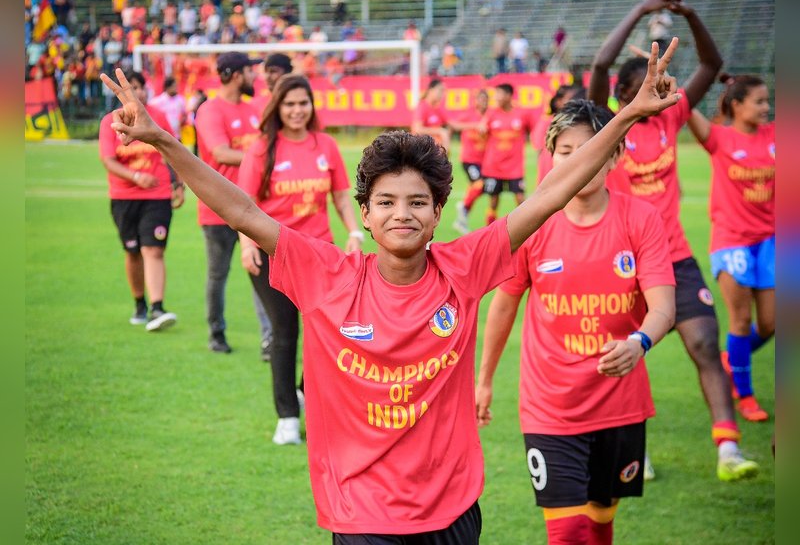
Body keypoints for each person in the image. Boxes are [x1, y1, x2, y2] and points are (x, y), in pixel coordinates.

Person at [101, 36, 682, 543]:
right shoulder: (325, 273)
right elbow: (240, 208)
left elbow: (551, 193)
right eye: (385, 202)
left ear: (436, 214)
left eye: (417, 203)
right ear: (366, 215)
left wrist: (628, 115)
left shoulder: (467, 264)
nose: (401, 214)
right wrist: (165, 143)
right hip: (360, 513)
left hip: (452, 508)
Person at [476, 99, 675, 545]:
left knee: (601, 523)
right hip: (551, 407)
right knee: (567, 532)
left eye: (592, 148)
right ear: (551, 157)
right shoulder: (532, 223)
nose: (580, 160)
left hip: (620, 403)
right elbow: (504, 305)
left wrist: (640, 342)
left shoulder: (640, 219)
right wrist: (484, 380)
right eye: (566, 151)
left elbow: (663, 305)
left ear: (616, 152)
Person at [588, 0, 759, 481]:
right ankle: (629, 449)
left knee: (706, 344)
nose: (666, 90)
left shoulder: (674, 114)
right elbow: (600, 67)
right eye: (655, 83)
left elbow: (712, 63)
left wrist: (688, 13)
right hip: (617, 260)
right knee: (620, 356)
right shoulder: (609, 123)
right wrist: (639, 9)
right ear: (626, 94)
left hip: (673, 257)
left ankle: (728, 451)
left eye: (666, 83)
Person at [237, 74, 363, 445]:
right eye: (289, 104)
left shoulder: (325, 144)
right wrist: (247, 246)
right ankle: (287, 418)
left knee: (328, 330)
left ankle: (304, 394)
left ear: (311, 106)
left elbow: (341, 196)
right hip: (272, 254)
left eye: (303, 103)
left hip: (319, 255)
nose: (296, 111)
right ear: (278, 107)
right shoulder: (262, 149)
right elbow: (243, 207)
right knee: (285, 331)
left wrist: (353, 232)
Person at [686, 74, 775, 422]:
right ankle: (746, 395)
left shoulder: (776, 136)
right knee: (740, 320)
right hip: (731, 240)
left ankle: (732, 361)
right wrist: (672, 84)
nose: (766, 108)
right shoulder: (719, 138)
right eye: (759, 101)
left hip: (771, 240)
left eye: (768, 101)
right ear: (737, 105)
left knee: (771, 323)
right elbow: (685, 107)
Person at [194, 52, 274, 357]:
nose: (255, 77)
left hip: (254, 206)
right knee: (218, 274)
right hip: (218, 208)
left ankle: (269, 337)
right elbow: (222, 153)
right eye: (250, 72)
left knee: (262, 272)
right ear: (237, 75)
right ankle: (216, 333)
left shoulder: (255, 108)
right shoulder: (210, 110)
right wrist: (265, 161)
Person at [99, 70, 182, 332]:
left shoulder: (158, 118)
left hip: (157, 195)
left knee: (153, 250)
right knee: (133, 252)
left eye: (139, 87)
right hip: (124, 197)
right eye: (129, 88)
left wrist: (178, 183)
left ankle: (157, 307)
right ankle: (139, 304)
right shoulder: (109, 122)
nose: (136, 92)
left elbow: (173, 149)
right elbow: (108, 159)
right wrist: (135, 176)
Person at [480, 83, 532, 225]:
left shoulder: (521, 114)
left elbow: (532, 130)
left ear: (509, 96)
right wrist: (482, 131)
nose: (496, 97)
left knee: (521, 199)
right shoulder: (491, 114)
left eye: (499, 94)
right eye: (495, 94)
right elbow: (483, 134)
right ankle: (489, 232)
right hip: (494, 166)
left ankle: (526, 229)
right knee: (493, 202)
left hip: (514, 167)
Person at [453, 89, 489, 234]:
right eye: (480, 99)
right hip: (469, 159)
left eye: (485, 100)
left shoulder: (489, 115)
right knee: (479, 184)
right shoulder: (469, 114)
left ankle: (462, 217)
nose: (483, 102)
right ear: (476, 100)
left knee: (481, 188)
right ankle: (464, 207)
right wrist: (474, 126)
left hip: (485, 160)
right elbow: (455, 125)